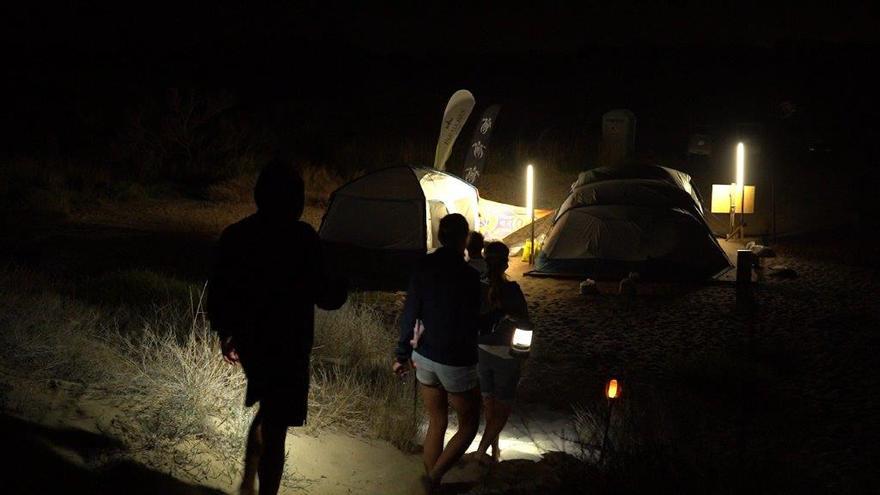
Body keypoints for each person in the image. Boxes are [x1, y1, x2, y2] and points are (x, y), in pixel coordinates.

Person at [207, 160, 347, 495]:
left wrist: (227, 333)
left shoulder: (236, 235)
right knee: (276, 425)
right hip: (289, 344)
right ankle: (262, 488)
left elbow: (220, 293)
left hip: (252, 339)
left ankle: (248, 480)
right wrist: (343, 278)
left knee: (269, 411)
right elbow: (327, 295)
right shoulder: (302, 239)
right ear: (295, 201)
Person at [393, 213, 482, 493]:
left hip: (425, 356)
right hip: (454, 359)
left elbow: (410, 313)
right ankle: (432, 480)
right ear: (463, 239)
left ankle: (432, 481)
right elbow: (473, 321)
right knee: (469, 424)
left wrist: (401, 353)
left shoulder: (423, 267)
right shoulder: (470, 277)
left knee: (437, 419)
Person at [473, 241, 529, 463]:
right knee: (502, 408)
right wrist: (523, 354)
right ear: (506, 263)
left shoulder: (476, 287)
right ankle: (482, 450)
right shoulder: (512, 290)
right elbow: (525, 324)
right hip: (505, 353)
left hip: (480, 349)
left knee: (489, 403)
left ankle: (493, 449)